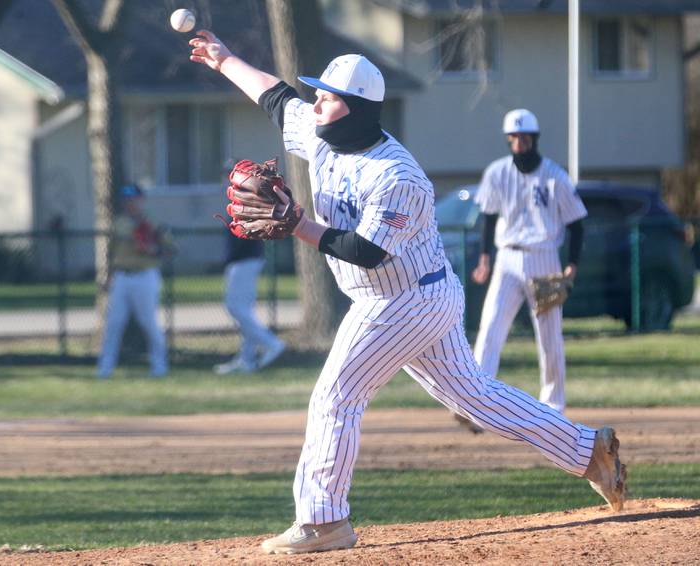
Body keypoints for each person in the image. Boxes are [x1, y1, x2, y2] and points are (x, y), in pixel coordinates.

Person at [189, 31, 625, 555]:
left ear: (353, 110)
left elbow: (369, 251)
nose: (315, 101)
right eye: (319, 93)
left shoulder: (398, 177)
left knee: (336, 396)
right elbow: (275, 96)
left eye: (327, 96)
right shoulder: (320, 130)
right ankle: (588, 450)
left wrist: (299, 225)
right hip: (411, 297)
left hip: (404, 300)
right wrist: (225, 59)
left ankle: (324, 520)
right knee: (478, 399)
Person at [471, 109, 587, 415]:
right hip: (507, 258)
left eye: (524, 136)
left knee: (549, 335)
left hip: (545, 259)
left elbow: (576, 224)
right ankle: (477, 401)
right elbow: (487, 217)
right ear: (508, 140)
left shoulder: (556, 177)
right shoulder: (497, 173)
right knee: (491, 326)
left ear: (534, 139)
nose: (518, 142)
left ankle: (553, 404)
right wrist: (485, 259)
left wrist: (571, 265)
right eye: (513, 137)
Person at [97, 184, 173, 379]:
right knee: (114, 323)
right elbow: (111, 253)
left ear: (141, 200)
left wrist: (152, 249)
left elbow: (171, 250)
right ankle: (105, 369)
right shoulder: (119, 223)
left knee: (148, 322)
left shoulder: (153, 222)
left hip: (145, 276)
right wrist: (109, 276)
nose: (129, 203)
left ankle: (159, 367)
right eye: (126, 200)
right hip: (122, 277)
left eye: (133, 199)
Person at [213, 230, 285, 375]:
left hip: (244, 260)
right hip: (245, 259)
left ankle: (271, 343)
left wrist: (231, 257)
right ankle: (246, 359)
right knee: (244, 310)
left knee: (235, 307)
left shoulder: (243, 207)